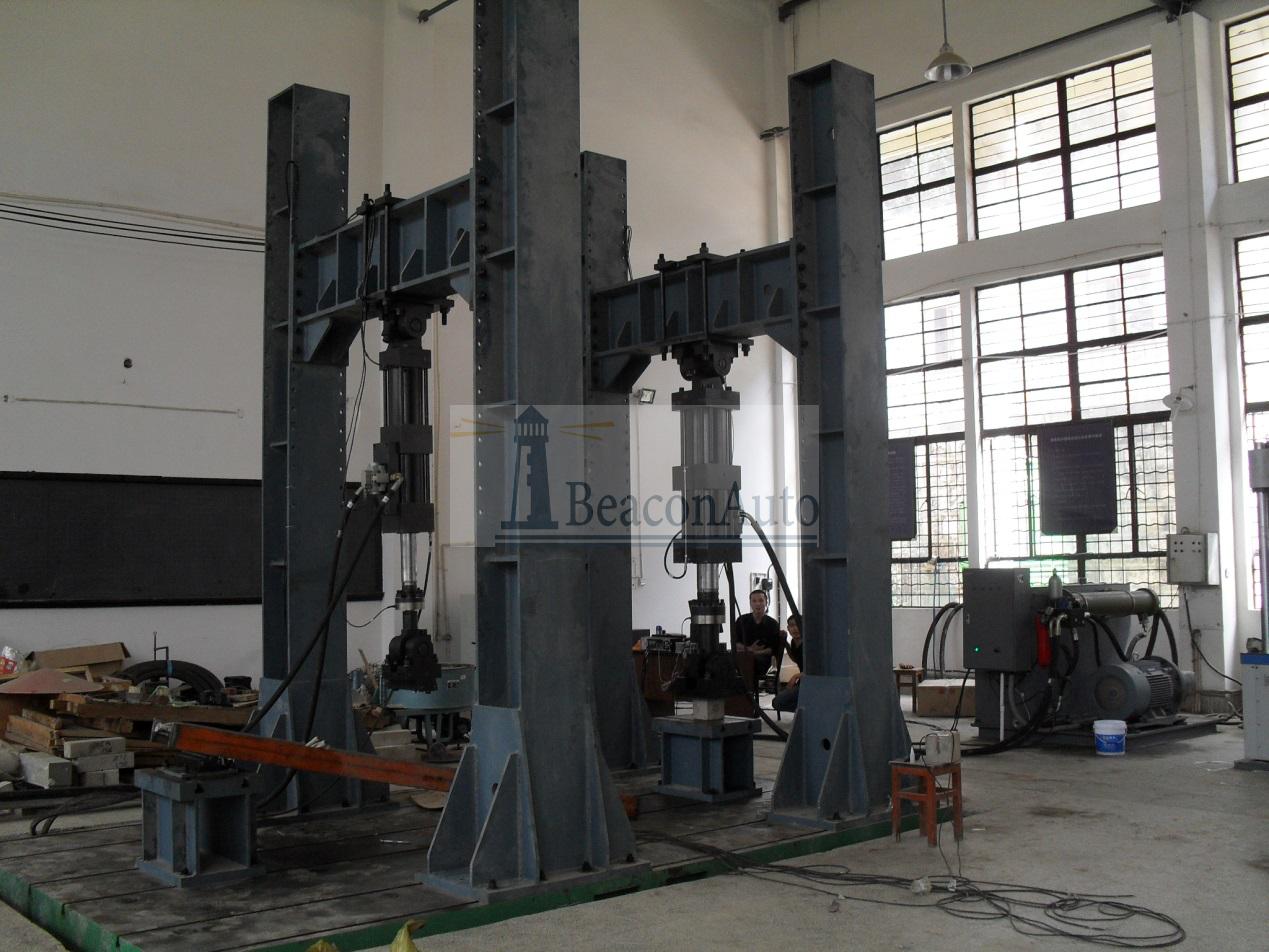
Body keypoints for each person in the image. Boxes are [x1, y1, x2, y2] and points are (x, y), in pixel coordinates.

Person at [732, 589, 782, 684]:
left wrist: (755, 653)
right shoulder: (741, 620)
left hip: (762, 659)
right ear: (750, 603)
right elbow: (735, 642)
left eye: (761, 600)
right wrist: (749, 649)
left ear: (766, 602)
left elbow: (773, 649)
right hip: (743, 656)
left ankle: (748, 689)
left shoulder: (772, 624)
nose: (757, 604)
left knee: (751, 661)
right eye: (754, 601)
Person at [773, 613, 802, 714]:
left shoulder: (808, 643)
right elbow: (796, 659)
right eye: (792, 625)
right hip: (801, 682)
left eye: (798, 625)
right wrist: (785, 643)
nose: (795, 629)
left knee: (779, 702)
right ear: (788, 628)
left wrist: (795, 676)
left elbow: (814, 669)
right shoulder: (794, 642)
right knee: (777, 703)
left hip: (809, 682)